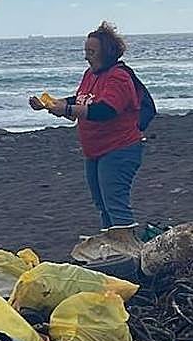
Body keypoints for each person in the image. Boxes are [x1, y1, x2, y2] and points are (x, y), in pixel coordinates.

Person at [29, 21, 143, 229]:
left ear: (107, 53)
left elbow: (104, 110)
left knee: (115, 205)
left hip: (119, 149)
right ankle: (112, 247)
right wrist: (50, 105)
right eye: (86, 51)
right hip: (95, 151)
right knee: (102, 205)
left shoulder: (119, 77)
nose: (86, 56)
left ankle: (128, 250)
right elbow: (81, 100)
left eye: (91, 51)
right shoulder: (90, 74)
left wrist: (67, 109)